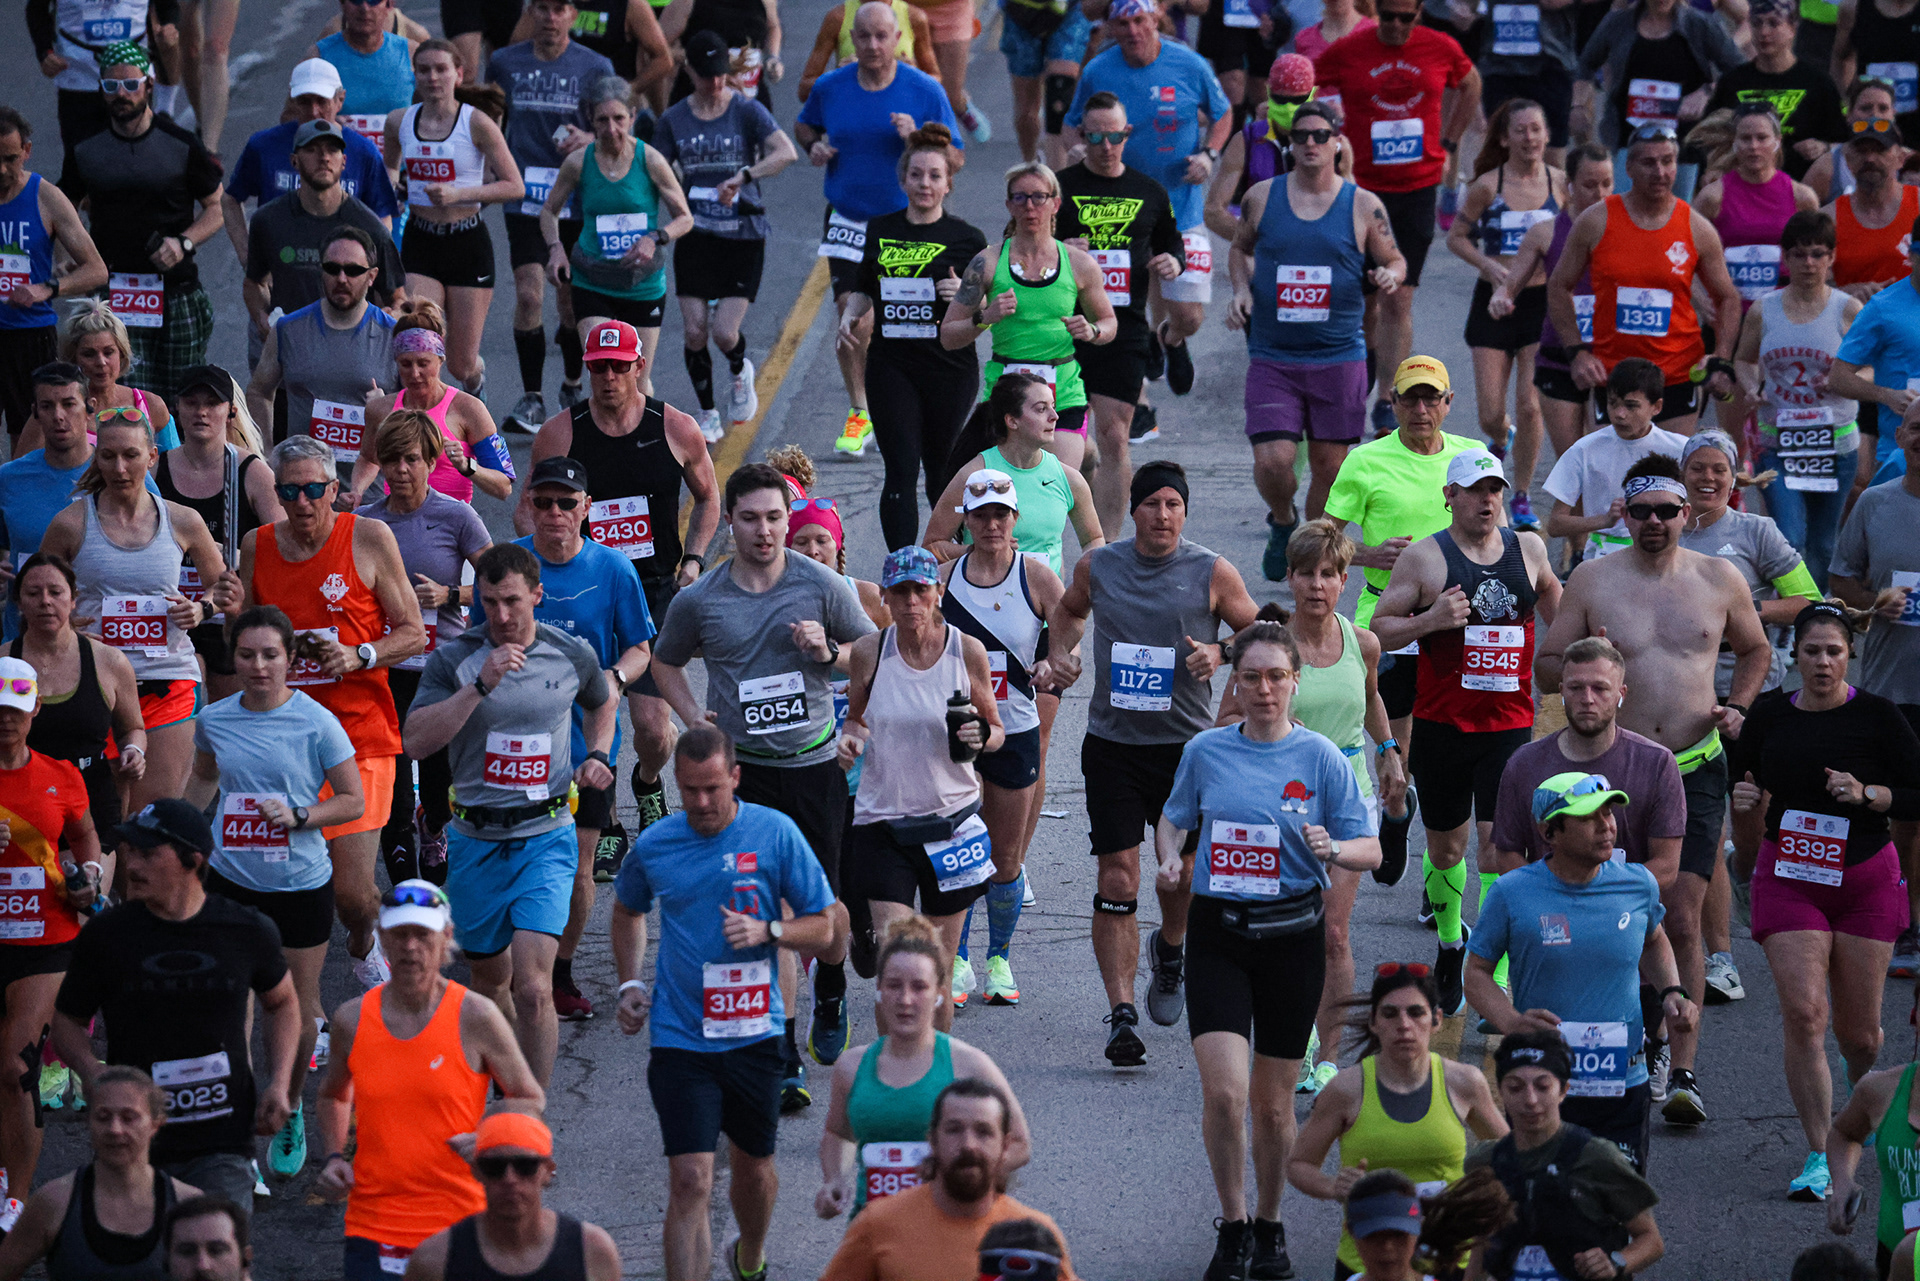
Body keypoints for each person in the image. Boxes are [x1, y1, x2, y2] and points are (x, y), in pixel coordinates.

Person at [1537, 453, 1771, 1129]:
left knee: (1683, 909)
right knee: (1619, 903)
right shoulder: (1592, 577)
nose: (1654, 521)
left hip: (1695, 763)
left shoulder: (1719, 577)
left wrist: (1740, 706)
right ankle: (1635, 1037)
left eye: (1667, 510)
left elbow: (1754, 648)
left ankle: (1683, 1066)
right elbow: (1549, 667)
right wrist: (1586, 659)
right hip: (1615, 770)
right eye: (1640, 510)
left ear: (1688, 513)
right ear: (1624, 512)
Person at [1154, 613, 1380, 1281]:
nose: (1263, 689)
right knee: (1225, 1094)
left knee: (1273, 1104)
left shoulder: (1321, 758)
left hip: (1293, 939)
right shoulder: (1207, 750)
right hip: (1220, 933)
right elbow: (1173, 818)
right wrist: (1169, 858)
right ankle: (1234, 1223)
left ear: (1295, 681)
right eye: (1250, 677)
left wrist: (1335, 848)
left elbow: (1371, 846)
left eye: (1276, 676)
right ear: (1236, 681)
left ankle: (1272, 1222)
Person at [650, 462, 871, 1082]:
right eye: (750, 518)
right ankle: (783, 1053)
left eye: (776, 517)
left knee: (824, 915)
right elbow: (664, 664)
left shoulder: (822, 585)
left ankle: (832, 984)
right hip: (744, 775)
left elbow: (872, 652)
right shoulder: (701, 599)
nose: (765, 530)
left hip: (813, 767)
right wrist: (695, 717)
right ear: (731, 526)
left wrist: (827, 654)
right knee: (766, 909)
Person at [1047, 462, 1260, 1066]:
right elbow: (1067, 609)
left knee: (1182, 877)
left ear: (1185, 512)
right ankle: (1120, 1015)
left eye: (1173, 504)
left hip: (1186, 752)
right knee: (1118, 876)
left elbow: (1268, 633)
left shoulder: (1211, 570)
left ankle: (1170, 948)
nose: (1162, 515)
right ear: (1134, 510)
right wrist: (1061, 653)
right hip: (1113, 746)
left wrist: (1221, 650)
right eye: (1151, 504)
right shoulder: (1100, 565)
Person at [611, 726, 841, 1281]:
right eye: (689, 790)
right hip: (680, 1035)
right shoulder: (657, 845)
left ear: (735, 777)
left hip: (754, 1034)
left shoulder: (775, 834)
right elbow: (627, 910)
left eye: (713, 788)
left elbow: (829, 929)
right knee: (690, 1178)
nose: (702, 802)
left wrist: (771, 929)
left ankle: (751, 1253)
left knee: (754, 1169)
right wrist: (629, 984)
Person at [401, 543, 615, 1088]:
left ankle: (529, 1118)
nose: (500, 616)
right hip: (475, 839)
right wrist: (478, 688)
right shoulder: (455, 660)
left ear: (537, 596)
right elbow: (416, 741)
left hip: (546, 835)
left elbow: (603, 696)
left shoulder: (569, 652)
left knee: (534, 987)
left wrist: (596, 753)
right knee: (490, 981)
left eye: (513, 602)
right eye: (490, 602)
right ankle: (503, 1067)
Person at [1729, 602, 1920, 1202]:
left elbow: (1917, 791)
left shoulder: (1879, 716)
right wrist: (1744, 798)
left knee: (1861, 1037)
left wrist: (1870, 794)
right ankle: (1820, 1151)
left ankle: (1871, 1117)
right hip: (1790, 875)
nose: (1822, 662)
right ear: (1796, 655)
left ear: (1849, 655)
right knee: (1806, 1015)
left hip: (1864, 878)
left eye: (1833, 651)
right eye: (1811, 650)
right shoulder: (1768, 718)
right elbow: (1745, 777)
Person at [1368, 448, 1563, 1016]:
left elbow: (1559, 605)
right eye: (1476, 490)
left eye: (1496, 489)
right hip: (1441, 724)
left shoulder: (1528, 548)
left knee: (1501, 851)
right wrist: (1430, 621)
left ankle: (1493, 965)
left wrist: (1575, 641)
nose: (1488, 500)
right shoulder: (1427, 559)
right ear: (1450, 496)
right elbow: (1380, 627)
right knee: (1447, 847)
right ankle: (1452, 941)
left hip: (1507, 725)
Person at [1219, 527, 1407, 1095]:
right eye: (1307, 574)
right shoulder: (1267, 646)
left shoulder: (1363, 642)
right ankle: (1292, 1033)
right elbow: (1227, 720)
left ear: (1345, 581)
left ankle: (1329, 1055)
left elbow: (1370, 695)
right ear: (1292, 579)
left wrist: (1389, 750)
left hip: (1346, 794)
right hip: (1279, 798)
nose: (1318, 585)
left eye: (1329, 574)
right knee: (1279, 929)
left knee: (1332, 931)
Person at [237, 435, 428, 990]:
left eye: (314, 490)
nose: (302, 503)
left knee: (351, 892)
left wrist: (357, 654)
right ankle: (299, 1004)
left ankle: (363, 939)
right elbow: (243, 636)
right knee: (287, 885)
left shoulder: (367, 537)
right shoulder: (257, 545)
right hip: (284, 737)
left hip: (360, 732)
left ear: (335, 490)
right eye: (290, 491)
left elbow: (413, 632)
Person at [182, 605, 365, 1179]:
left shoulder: (316, 721)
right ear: (232, 658)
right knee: (231, 1001)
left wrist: (300, 814)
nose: (258, 667)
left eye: (270, 655)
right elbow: (206, 778)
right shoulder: (215, 718)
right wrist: (176, 830)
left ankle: (284, 1101)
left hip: (299, 884)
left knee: (295, 1005)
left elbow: (353, 800)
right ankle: (239, 1127)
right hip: (232, 881)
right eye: (246, 655)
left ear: (289, 659)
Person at [52, 798, 302, 1217]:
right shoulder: (108, 937)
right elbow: (66, 1022)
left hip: (223, 1139)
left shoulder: (245, 929)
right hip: (131, 1142)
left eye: (148, 854)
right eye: (131, 852)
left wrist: (280, 1084)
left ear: (193, 860)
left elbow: (283, 1003)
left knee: (213, 1255)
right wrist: (93, 1073)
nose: (132, 865)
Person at [523, 318, 718, 836]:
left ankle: (649, 779)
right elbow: (529, 505)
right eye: (597, 367)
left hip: (652, 591)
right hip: (586, 586)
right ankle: (605, 826)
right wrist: (542, 563)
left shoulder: (673, 427)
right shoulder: (561, 432)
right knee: (590, 713)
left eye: (617, 366)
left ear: (638, 366)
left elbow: (708, 497)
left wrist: (693, 560)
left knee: (654, 729)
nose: (607, 376)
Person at [312, 880, 545, 1281]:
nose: (411, 947)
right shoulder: (351, 1020)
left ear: (446, 938)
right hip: (374, 1224)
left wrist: (489, 1134)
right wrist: (334, 1157)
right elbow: (333, 1096)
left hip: (460, 1220)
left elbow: (528, 1096)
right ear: (382, 940)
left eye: (423, 934)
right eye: (400, 935)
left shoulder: (476, 1016)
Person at [1467, 774, 1699, 1172]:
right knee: (1543, 1203)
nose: (1607, 825)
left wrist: (1673, 991)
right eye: (1588, 817)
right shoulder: (1511, 893)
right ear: (1550, 832)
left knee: (1615, 1206)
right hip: (1541, 1084)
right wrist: (1511, 1021)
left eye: (1608, 812)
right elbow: (1476, 972)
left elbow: (1653, 939)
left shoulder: (1637, 883)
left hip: (1623, 1083)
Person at [1229, 98, 1405, 580]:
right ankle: (1283, 520)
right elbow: (1239, 250)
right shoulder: (1263, 197)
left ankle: (1307, 552)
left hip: (1339, 356)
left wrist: (1389, 275)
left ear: (1336, 142)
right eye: (1301, 135)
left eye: (1320, 136)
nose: (1310, 143)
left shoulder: (1363, 205)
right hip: (1273, 356)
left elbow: (1395, 259)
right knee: (1273, 462)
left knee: (1330, 469)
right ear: (1290, 143)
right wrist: (1242, 291)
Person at [507, 455, 652, 1018]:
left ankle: (559, 972)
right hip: (518, 745)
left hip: (590, 746)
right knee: (515, 855)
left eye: (567, 503)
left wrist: (612, 678)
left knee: (579, 861)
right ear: (529, 506)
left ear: (586, 509)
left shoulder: (614, 569)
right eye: (543, 502)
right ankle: (510, 964)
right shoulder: (511, 563)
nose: (554, 514)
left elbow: (641, 646)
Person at [838, 546, 1003, 1028]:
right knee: (898, 969)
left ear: (938, 594)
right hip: (882, 823)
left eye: (921, 590)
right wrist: (850, 740)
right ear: (885, 597)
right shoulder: (870, 651)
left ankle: (935, 1085)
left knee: (935, 978)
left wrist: (981, 736)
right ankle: (893, 1081)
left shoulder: (966, 651)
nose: (911, 601)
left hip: (951, 824)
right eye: (901, 592)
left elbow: (996, 729)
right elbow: (855, 719)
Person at [39, 409, 233, 811]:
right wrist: (64, 625)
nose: (119, 467)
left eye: (130, 455)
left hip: (166, 681)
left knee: (152, 817)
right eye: (107, 456)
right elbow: (37, 592)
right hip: (94, 683)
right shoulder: (70, 524)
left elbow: (226, 587)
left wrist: (202, 609)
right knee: (100, 817)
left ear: (152, 457)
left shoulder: (184, 521)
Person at [794, 1, 964, 456]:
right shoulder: (831, 87)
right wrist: (813, 147)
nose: (871, 45)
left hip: (906, 225)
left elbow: (957, 158)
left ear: (897, 40)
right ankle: (859, 409)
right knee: (852, 318)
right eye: (862, 36)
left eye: (880, 36)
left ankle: (913, 400)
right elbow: (804, 125)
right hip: (848, 218)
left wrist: (919, 138)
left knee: (905, 319)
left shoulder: (924, 90)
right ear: (853, 39)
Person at [1310, 0, 1478, 437]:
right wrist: (1329, 141)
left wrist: (1450, 141)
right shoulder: (1350, 49)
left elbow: (1471, 83)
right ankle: (1364, 363)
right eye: (1390, 17)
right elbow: (1311, 89)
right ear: (1377, 12)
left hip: (1417, 189)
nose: (1399, 26)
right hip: (1364, 189)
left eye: (1408, 18)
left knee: (1398, 298)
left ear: (1419, 14)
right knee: (1364, 301)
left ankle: (1386, 397)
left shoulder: (1439, 46)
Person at [934, 474, 1068, 1006]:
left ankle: (1000, 960)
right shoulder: (943, 579)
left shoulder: (1037, 578)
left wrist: (1053, 665)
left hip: (1014, 728)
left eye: (1001, 515)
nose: (992, 525)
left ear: (1015, 520)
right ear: (965, 520)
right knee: (959, 848)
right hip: (955, 731)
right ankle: (960, 959)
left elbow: (1067, 639)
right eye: (981, 515)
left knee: (1005, 856)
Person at [1287, 964, 1507, 1279]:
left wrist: (1476, 1204)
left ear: (1437, 1020)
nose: (1404, 1025)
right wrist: (1333, 1186)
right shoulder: (1347, 1090)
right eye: (1390, 1014)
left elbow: (1512, 1155)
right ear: (1374, 1022)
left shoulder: (1464, 1083)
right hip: (1369, 1262)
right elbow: (1298, 1164)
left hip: (1446, 1260)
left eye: (1416, 1013)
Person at [1063, 0, 1234, 406]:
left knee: (1189, 314)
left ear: (1156, 19)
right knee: (1129, 303)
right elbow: (1071, 125)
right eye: (1122, 23)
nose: (1132, 31)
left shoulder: (1188, 64)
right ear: (1111, 28)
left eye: (1139, 20)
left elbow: (1223, 114)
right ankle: (1133, 398)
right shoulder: (1098, 71)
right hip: (1120, 213)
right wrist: (1077, 155)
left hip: (1181, 209)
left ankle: (1169, 339)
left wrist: (1208, 154)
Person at [352, 411, 494, 890]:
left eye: (411, 458)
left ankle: (433, 826)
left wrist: (450, 595)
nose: (400, 470)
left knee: (437, 783)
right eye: (390, 459)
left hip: (440, 669)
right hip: (384, 667)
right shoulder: (365, 524)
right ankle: (406, 893)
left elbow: (501, 585)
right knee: (391, 783)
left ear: (431, 461)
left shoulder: (455, 515)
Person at [815, 915, 1031, 1219]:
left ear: (940, 995)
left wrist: (964, 1182)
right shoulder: (852, 1066)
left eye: (919, 987)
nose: (905, 999)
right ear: (878, 990)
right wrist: (834, 1180)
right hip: (873, 1231)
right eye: (894, 986)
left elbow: (1019, 1144)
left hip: (949, 1228)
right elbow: (838, 1133)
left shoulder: (968, 1065)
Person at [1322, 354, 1478, 767]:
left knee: (1460, 737)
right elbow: (1321, 538)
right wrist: (1368, 553)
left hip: (1463, 614)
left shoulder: (1472, 457)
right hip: (1390, 616)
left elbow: (1498, 536)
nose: (1420, 411)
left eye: (1431, 400)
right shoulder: (1366, 460)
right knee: (1394, 742)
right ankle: (1395, 821)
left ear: (1449, 401)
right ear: (1392, 402)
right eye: (1410, 400)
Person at [838, 124, 985, 549]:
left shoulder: (967, 238)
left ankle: (949, 561)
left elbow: (985, 306)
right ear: (902, 180)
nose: (924, 183)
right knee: (900, 467)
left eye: (934, 175)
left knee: (941, 468)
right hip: (892, 366)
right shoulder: (881, 229)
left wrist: (963, 296)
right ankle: (902, 567)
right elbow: (866, 286)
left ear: (948, 184)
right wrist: (850, 314)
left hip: (949, 368)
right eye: (916, 174)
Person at [1547, 124, 1744, 435]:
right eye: (1648, 162)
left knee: (1670, 477)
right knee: (1614, 478)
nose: (1660, 171)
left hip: (1677, 375)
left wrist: (1721, 359)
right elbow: (1559, 287)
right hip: (1614, 375)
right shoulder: (1596, 221)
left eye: (1667, 161)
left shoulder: (1696, 227)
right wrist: (1577, 352)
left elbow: (1729, 297)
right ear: (1629, 167)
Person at [0, 654, 105, 1225]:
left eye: (16, 709)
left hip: (45, 938)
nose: (6, 720)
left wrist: (89, 875)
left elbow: (86, 836)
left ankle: (15, 1199)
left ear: (35, 709)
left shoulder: (62, 774)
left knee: (16, 1065)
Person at [62, 42, 224, 406]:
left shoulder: (181, 144)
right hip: (115, 291)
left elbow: (217, 208)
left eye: (131, 85)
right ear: (100, 89)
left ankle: (170, 464)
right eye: (111, 86)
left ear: (149, 85)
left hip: (176, 291)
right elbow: (63, 207)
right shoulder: (86, 148)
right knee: (118, 399)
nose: (121, 94)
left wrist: (183, 243)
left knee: (179, 400)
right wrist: (68, 254)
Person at [654, 32, 796, 442]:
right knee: (695, 330)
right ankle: (707, 413)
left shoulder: (746, 111)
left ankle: (739, 369)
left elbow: (785, 152)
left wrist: (744, 175)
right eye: (706, 77)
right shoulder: (674, 119)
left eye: (720, 76)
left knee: (723, 333)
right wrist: (675, 197)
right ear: (690, 72)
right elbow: (655, 167)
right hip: (697, 233)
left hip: (742, 233)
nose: (715, 84)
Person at [1053, 93, 1183, 536]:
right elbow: (1019, 249)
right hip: (1061, 326)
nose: (1105, 146)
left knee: (1114, 434)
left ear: (1128, 135)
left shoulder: (1149, 191)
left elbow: (1171, 241)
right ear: (1082, 134)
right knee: (1064, 442)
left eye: (1114, 136)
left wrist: (1173, 263)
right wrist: (1060, 252)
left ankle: (1104, 546)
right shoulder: (1058, 188)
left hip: (1123, 326)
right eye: (1094, 136)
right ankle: (1081, 466)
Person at [937, 162, 1117, 475]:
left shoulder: (1079, 264)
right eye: (1020, 198)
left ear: (1055, 204)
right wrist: (984, 317)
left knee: (1050, 492)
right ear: (1008, 205)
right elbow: (949, 335)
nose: (1029, 206)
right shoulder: (988, 263)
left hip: (1061, 391)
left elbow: (1109, 324)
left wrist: (1091, 330)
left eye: (1038, 197)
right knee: (996, 495)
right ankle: (1084, 450)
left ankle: (1078, 450)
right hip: (1007, 394)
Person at [490, 0, 616, 432]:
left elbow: (615, 122)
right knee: (529, 295)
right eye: (541, 7)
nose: (549, 17)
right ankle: (532, 397)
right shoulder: (504, 63)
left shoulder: (595, 66)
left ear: (573, 14)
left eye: (559, 8)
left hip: (575, 197)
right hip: (526, 195)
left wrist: (589, 134)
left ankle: (571, 383)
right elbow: (490, 120)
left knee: (567, 303)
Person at [1828, 411, 1920, 974]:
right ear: (1901, 437)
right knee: (1905, 811)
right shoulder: (1877, 502)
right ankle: (1906, 923)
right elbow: (1841, 577)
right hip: (1893, 686)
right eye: (1915, 428)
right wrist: (1872, 602)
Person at [1446, 100, 1565, 533]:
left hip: (1540, 304)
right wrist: (1489, 266)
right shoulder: (1486, 186)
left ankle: (1519, 494)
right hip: (1493, 301)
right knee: (1491, 412)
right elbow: (1456, 237)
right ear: (1504, 138)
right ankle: (1501, 438)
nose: (1530, 138)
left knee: (1530, 405)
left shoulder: (1561, 184)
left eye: (1537, 129)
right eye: (1521, 131)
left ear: (1547, 135)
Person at [819, 1079, 1075, 1281]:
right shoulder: (878, 1224)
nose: (968, 1145)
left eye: (983, 1132)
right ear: (932, 1141)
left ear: (1005, 1146)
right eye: (954, 1130)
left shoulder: (1034, 1242)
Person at [1727, 209, 1862, 590]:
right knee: (1789, 536)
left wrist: (1843, 378)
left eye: (1818, 253)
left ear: (1832, 258)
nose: (1808, 263)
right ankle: (1790, 619)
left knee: (1821, 542)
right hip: (1778, 442)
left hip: (1834, 444)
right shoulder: (1764, 309)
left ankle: (1813, 624)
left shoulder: (1848, 310)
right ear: (1785, 258)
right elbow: (1744, 358)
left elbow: (1872, 369)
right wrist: (1751, 385)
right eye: (1799, 254)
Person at [386, 40, 526, 395]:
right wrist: (394, 191)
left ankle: (475, 384)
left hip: (467, 242)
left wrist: (459, 193)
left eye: (441, 69)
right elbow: (390, 166)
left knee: (461, 363)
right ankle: (425, 424)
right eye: (424, 70)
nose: (433, 77)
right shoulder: (399, 121)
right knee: (418, 342)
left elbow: (514, 186)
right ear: (413, 76)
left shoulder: (475, 122)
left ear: (458, 74)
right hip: (420, 239)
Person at [540, 76, 693, 397]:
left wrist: (655, 238)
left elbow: (684, 217)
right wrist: (556, 248)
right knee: (604, 373)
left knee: (636, 382)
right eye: (603, 120)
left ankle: (644, 443)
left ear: (633, 117)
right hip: (592, 280)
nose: (611, 129)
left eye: (619, 119)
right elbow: (548, 211)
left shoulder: (650, 160)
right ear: (591, 121)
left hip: (642, 284)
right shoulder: (579, 162)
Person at [1488, 635, 1686, 884]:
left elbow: (1666, 866)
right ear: (1561, 691)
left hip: (1626, 913)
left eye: (1600, 688)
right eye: (1576, 688)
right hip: (1551, 913)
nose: (1588, 699)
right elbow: (1507, 854)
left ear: (1620, 694)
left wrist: (1602, 901)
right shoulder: (1524, 764)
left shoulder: (1657, 764)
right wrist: (1549, 898)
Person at [1467, 1032, 1665, 1280]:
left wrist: (1615, 1262)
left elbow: (1651, 1240)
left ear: (1564, 1090)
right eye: (1515, 1087)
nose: (1530, 1100)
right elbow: (1480, 1244)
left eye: (1543, 1086)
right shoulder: (1485, 1163)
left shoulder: (1597, 1157)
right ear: (1501, 1093)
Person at [0, 364, 154, 641]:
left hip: (107, 645)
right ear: (35, 412)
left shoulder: (124, 474)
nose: (59, 416)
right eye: (47, 406)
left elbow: (162, 542)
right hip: (26, 645)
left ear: (89, 407)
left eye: (69, 404)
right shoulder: (9, 479)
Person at [157, 368, 281, 704]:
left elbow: (284, 546)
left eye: (212, 403)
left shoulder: (252, 471)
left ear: (231, 411)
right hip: (169, 614)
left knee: (229, 722)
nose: (201, 412)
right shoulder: (155, 470)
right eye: (192, 402)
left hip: (229, 616)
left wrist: (227, 555)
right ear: (176, 408)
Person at [241, 120, 408, 368]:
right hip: (290, 350)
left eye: (332, 150)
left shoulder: (371, 228)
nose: (323, 158)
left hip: (351, 355)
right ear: (294, 160)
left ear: (344, 162)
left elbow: (397, 299)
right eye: (312, 149)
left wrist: (390, 318)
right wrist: (262, 319)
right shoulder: (268, 220)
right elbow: (254, 282)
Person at [0, 1068, 192, 1280]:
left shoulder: (187, 1205)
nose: (115, 1129)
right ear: (88, 1122)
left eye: (129, 1118)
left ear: (156, 1124)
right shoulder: (54, 1203)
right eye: (103, 1117)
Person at [1492, 145, 1615, 471]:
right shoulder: (1545, 232)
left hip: (1610, 359)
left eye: (1607, 184)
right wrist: (1501, 297)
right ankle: (1582, 523)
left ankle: (1604, 522)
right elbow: (1513, 281)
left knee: (1606, 465)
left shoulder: (1626, 232)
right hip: (1559, 357)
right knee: (1575, 465)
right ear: (1568, 186)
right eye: (1589, 184)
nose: (1599, 193)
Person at [8, 553, 146, 842]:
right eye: (33, 593)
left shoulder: (110, 662)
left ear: (73, 600)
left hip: (91, 795)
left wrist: (134, 751)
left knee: (90, 885)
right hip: (21, 797)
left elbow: (132, 727)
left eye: (56, 592)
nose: (45, 601)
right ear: (19, 604)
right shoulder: (3, 660)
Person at [246, 226, 398, 478]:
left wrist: (388, 412)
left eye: (353, 270)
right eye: (332, 268)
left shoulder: (393, 336)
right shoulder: (288, 329)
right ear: (320, 271)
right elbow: (259, 391)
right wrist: (266, 452)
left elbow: (421, 410)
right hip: (303, 490)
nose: (341, 278)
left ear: (372, 276)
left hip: (369, 494)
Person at [220, 60, 399, 272]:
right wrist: (248, 257)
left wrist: (364, 270)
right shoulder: (264, 146)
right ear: (292, 100)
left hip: (341, 277)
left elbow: (382, 218)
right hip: (282, 272)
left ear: (340, 100)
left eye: (321, 101)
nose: (314, 111)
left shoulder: (363, 152)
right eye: (305, 102)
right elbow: (230, 199)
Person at [401, 1113, 622, 1281]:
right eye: (495, 1167)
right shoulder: (435, 1259)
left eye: (525, 1166)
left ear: (547, 1170)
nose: (510, 1179)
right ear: (477, 1171)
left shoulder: (591, 1250)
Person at [923, 375, 1104, 580]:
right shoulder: (974, 475)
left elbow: (1093, 539)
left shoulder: (1068, 479)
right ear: (1012, 421)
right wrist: (975, 551)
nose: (1054, 416)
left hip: (1045, 603)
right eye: (1041, 409)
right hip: (983, 600)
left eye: (1053, 406)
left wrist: (1083, 585)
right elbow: (930, 548)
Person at [0, 109, 105, 446]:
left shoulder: (44, 197)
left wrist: (48, 288)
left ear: (27, 151)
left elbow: (96, 269)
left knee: (28, 437)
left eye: (10, 159)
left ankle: (18, 500)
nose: (1, 170)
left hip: (28, 336)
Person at [353, 304, 516, 507]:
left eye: (423, 363)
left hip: (450, 528)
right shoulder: (380, 410)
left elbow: (504, 486)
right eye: (406, 364)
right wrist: (356, 492)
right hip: (396, 524)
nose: (414, 373)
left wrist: (467, 466)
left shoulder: (469, 409)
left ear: (440, 361)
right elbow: (369, 459)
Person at [1541, 357, 1690, 561]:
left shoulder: (1682, 449)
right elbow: (1556, 524)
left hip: (1667, 554)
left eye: (1631, 406)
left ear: (1656, 407)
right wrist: (1604, 521)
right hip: (1605, 556)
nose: (1619, 414)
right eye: (1613, 404)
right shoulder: (1585, 450)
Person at [1579, 0, 1742, 182]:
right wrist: (1578, 105)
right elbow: (1586, 63)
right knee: (1626, 207)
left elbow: (1738, 70)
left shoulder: (1698, 24)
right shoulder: (1619, 23)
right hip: (1629, 142)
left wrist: (1707, 92)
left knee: (1680, 208)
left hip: (1686, 145)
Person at [1705, 0, 1850, 182]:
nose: (1764, 33)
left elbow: (1844, 143)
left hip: (1801, 187)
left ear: (1792, 29)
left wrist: (1823, 147)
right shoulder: (1732, 82)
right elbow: (1709, 139)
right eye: (1757, 24)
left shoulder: (1818, 84)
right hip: (1744, 187)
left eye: (1774, 24)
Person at [1828, 216, 1920, 480]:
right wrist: (1887, 395)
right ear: (1912, 256)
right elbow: (1838, 377)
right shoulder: (1883, 307)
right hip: (1902, 456)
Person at [1827, 1047, 1920, 1275]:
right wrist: (1842, 1181)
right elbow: (1844, 1133)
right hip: (1892, 1256)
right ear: (1914, 1017)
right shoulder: (1881, 1089)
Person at [62, 302, 178, 451]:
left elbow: (173, 466)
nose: (101, 362)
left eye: (108, 352)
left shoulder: (152, 405)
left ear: (122, 354)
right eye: (89, 354)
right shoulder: (57, 410)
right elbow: (26, 469)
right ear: (73, 358)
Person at [1824, 119, 1917, 297]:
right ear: (1848, 160)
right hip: (1855, 321)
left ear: (1900, 158)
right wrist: (1846, 293)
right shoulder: (1828, 219)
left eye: (1880, 150)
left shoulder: (1918, 206)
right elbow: (1809, 291)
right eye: (1861, 151)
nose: (1870, 158)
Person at [312, 0, 418, 148]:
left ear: (389, 5)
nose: (364, 8)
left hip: (401, 169)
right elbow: (291, 118)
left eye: (373, 1)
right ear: (342, 4)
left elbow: (438, 114)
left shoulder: (413, 53)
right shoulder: (318, 56)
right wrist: (323, 124)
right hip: (342, 166)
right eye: (356, 0)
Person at [998, 0, 1092, 167]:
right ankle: (1030, 164)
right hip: (1021, 11)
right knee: (1026, 112)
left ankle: (1058, 181)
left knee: (1060, 94)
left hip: (1069, 10)